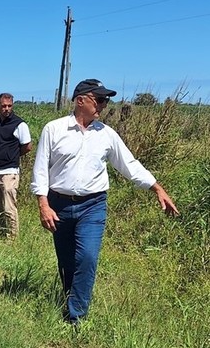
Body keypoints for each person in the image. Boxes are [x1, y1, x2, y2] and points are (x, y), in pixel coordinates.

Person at [31, 79, 179, 324]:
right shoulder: (54, 129)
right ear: (80, 100)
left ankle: (76, 317)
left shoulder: (107, 134)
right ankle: (69, 297)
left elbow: (129, 164)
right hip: (59, 205)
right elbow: (40, 169)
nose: (103, 105)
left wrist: (156, 188)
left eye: (106, 101)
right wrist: (43, 204)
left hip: (93, 206)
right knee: (67, 261)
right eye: (99, 99)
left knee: (87, 257)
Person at [0, 93, 32, 239]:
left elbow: (27, 146)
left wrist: (12, 156)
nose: (6, 109)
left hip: (9, 172)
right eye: (3, 106)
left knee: (9, 207)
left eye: (9, 106)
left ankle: (12, 238)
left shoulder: (19, 124)